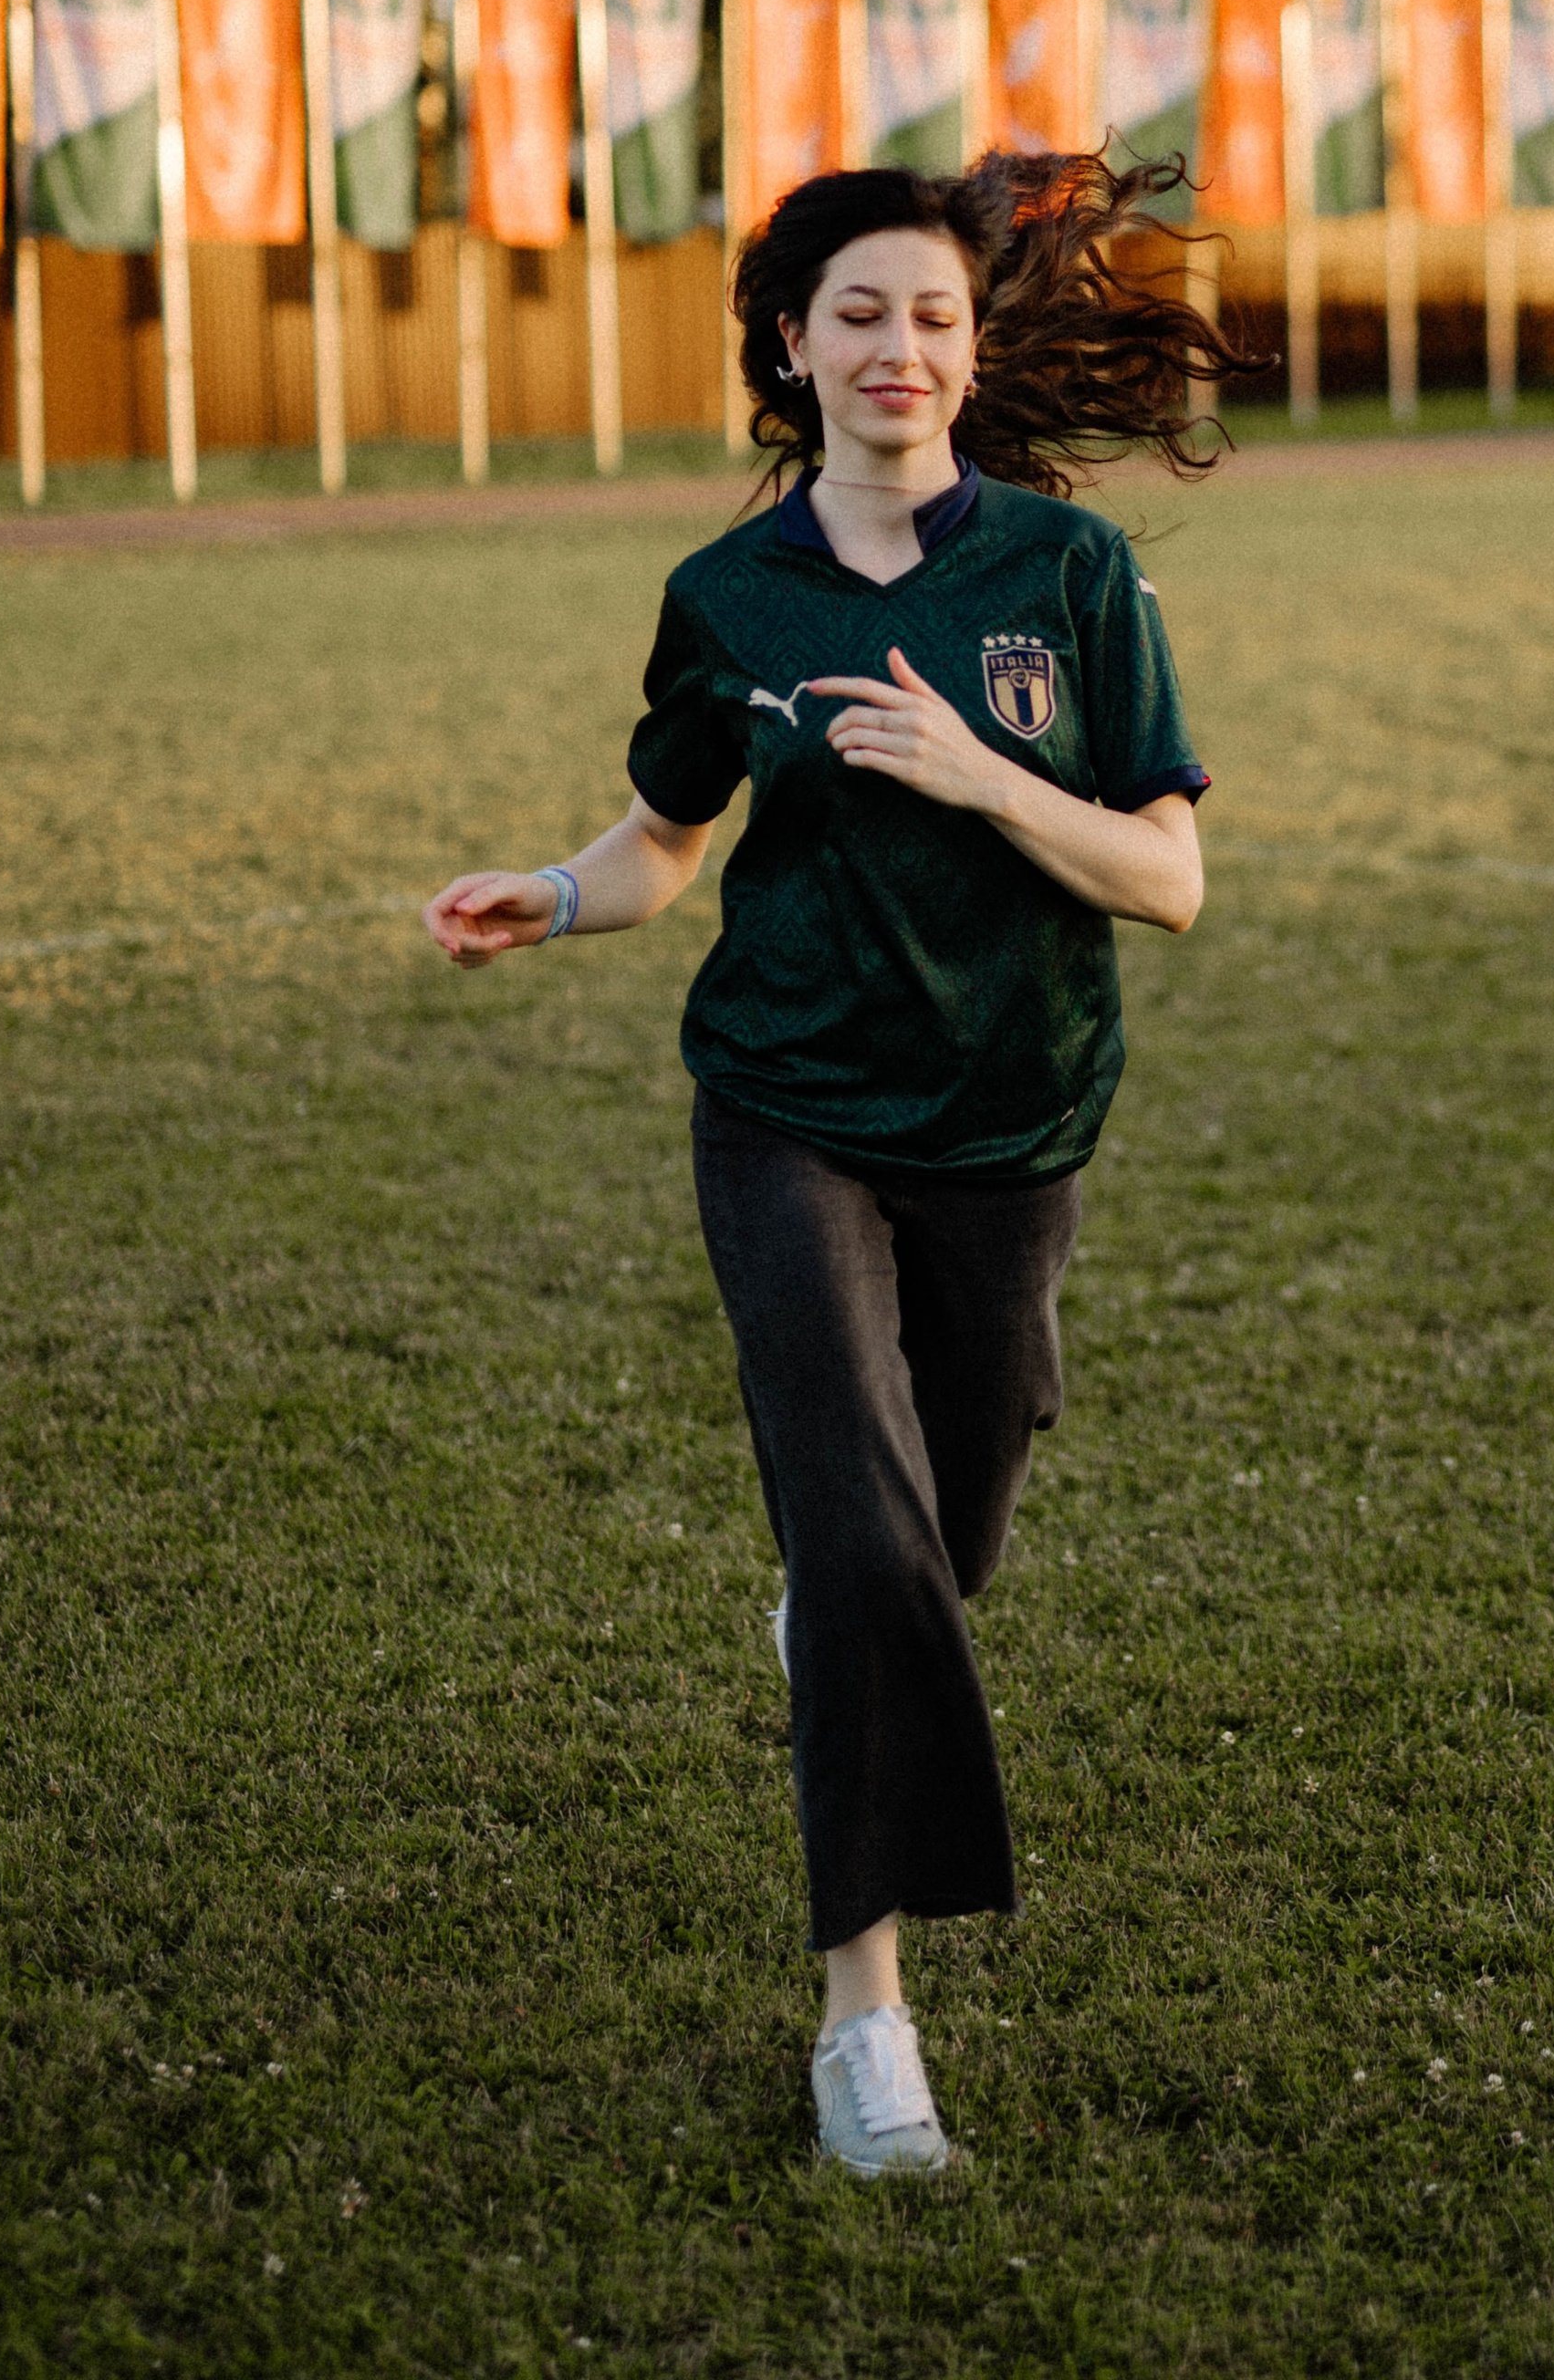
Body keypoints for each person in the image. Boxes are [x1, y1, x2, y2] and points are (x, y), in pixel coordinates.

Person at [422, 154, 1248, 2177]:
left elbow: (1170, 878)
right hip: (785, 1116)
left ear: (973, 355)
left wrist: (980, 773)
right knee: (870, 1559)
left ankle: (855, 1610)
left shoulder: (1064, 578)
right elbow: (664, 842)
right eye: (857, 314)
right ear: (790, 348)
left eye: (933, 317)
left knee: (938, 1550)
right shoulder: (729, 599)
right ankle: (864, 2027)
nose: (898, 349)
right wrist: (552, 890)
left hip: (1013, 1126)